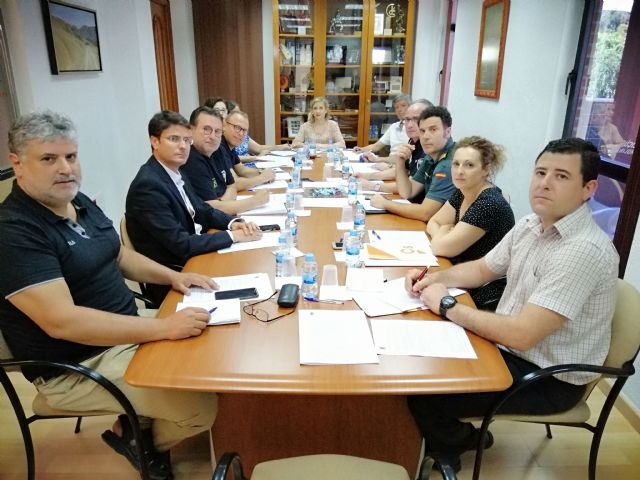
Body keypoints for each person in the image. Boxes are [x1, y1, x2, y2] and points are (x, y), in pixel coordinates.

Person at [0, 111, 221, 480]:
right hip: (75, 364)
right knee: (201, 406)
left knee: (214, 346)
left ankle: (139, 419)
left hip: (125, 328)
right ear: (17, 164)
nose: (65, 169)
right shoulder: (15, 232)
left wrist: (176, 277)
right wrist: (164, 328)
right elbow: (62, 322)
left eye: (71, 156)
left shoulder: (77, 201)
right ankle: (138, 440)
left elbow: (119, 255)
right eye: (49, 158)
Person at [405, 138, 618, 477]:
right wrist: (434, 278)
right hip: (510, 349)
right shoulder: (531, 225)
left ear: (588, 189)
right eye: (540, 172)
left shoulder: (582, 251)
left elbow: (521, 335)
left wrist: (447, 305)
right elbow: (482, 269)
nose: (545, 183)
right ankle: (430, 441)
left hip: (549, 377)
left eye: (561, 176)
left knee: (423, 391)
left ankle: (461, 442)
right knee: (420, 356)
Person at [126, 110, 262, 305]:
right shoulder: (148, 186)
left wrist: (233, 223)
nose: (183, 146)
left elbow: (202, 209)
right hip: (176, 276)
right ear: (155, 142)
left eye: (187, 140)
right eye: (174, 139)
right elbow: (182, 244)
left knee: (251, 267)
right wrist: (233, 236)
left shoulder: (175, 171)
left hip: (195, 257)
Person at [426, 136, 514, 308]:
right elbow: (433, 221)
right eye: (456, 164)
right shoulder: (463, 191)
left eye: (469, 165)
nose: (459, 171)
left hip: (484, 292)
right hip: (462, 276)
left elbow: (439, 248)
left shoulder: (488, 203)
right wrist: (444, 232)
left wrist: (443, 235)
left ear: (486, 169)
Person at [371, 106, 456, 221]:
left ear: (447, 132)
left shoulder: (448, 164)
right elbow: (408, 192)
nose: (425, 136)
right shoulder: (431, 156)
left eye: (433, 130)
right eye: (422, 131)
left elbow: (425, 213)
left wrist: (385, 203)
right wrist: (400, 162)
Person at [180, 106, 269, 215]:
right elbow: (212, 210)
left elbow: (232, 186)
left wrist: (222, 204)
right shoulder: (191, 160)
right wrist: (255, 201)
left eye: (217, 131)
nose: (213, 136)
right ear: (190, 130)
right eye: (206, 130)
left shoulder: (217, 151)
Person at [356, 99, 433, 197]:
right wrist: (365, 176)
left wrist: (372, 186)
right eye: (407, 120)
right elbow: (402, 171)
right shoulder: (413, 142)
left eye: (416, 119)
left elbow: (409, 187)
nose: (409, 125)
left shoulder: (429, 149)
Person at [220, 110, 276, 190]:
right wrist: (262, 178)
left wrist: (263, 172)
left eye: (244, 130)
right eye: (237, 128)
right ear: (224, 125)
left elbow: (242, 170)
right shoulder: (219, 146)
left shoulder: (230, 146)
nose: (241, 134)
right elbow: (234, 184)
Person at [355, 94, 411, 159]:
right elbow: (377, 146)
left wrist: (377, 159)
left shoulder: (413, 128)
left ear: (410, 107)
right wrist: (361, 149)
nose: (400, 110)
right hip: (390, 161)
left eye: (403, 106)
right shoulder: (393, 126)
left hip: (402, 163)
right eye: (397, 107)